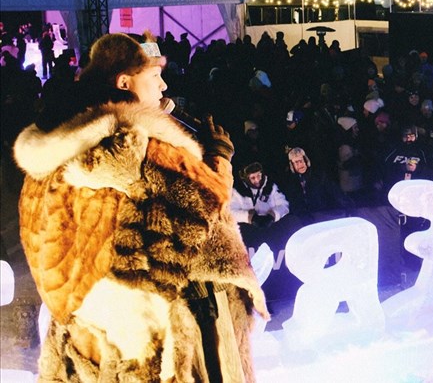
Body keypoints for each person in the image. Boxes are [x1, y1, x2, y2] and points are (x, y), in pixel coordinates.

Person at [14, 33, 266, 381]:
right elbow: (205, 199)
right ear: (124, 82)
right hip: (155, 329)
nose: (163, 86)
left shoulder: (50, 151)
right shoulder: (134, 142)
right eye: (153, 77)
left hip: (89, 326)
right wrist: (218, 156)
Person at [231, 161, 290, 226]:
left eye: (259, 175)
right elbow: (230, 212)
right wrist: (250, 217)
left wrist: (273, 215)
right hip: (247, 229)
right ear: (247, 179)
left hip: (272, 226)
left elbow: (284, 205)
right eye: (253, 178)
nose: (257, 180)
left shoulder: (271, 187)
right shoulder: (238, 192)